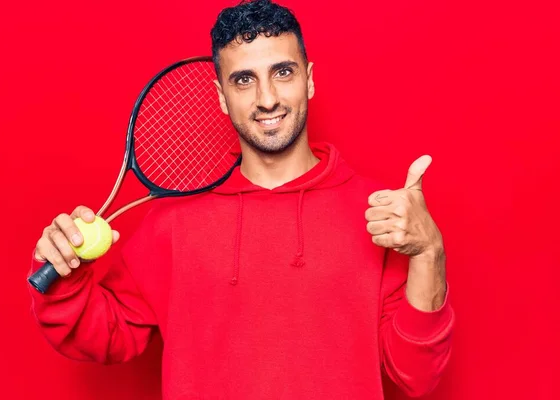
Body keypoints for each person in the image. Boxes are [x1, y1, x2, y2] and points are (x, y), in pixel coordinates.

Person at [28, 0, 454, 398]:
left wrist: (429, 251)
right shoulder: (171, 221)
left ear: (308, 79)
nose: (266, 98)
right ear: (220, 96)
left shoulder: (376, 214)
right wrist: (65, 276)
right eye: (244, 80)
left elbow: (417, 374)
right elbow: (104, 335)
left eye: (283, 72)